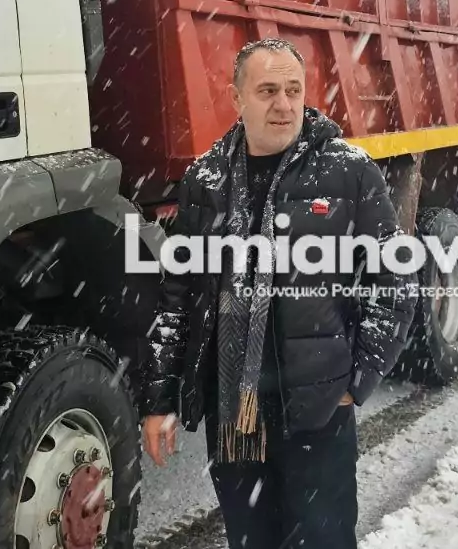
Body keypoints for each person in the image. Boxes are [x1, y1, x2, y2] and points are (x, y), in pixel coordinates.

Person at [139, 38, 418, 549]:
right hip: (235, 415)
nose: (283, 104)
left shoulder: (348, 171)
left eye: (293, 89)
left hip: (318, 410)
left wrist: (358, 377)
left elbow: (396, 280)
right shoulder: (205, 180)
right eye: (267, 90)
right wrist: (158, 401)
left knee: (323, 541)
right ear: (236, 98)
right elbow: (178, 299)